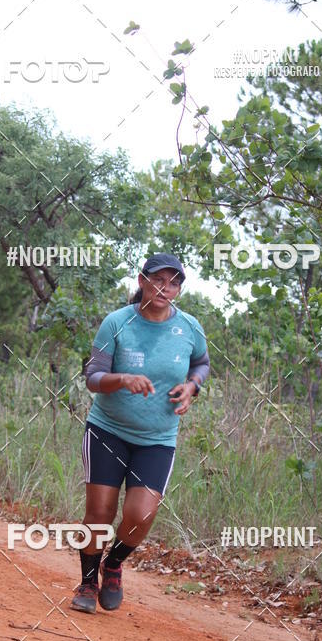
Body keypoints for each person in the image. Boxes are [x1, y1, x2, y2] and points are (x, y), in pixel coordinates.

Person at [71, 252, 211, 614]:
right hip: (107, 430)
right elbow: (94, 378)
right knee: (100, 511)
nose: (166, 288)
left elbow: (202, 362)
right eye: (159, 280)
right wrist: (123, 379)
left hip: (158, 439)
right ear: (141, 280)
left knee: (140, 515)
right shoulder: (117, 323)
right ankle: (87, 582)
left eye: (174, 282)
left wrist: (193, 386)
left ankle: (113, 564)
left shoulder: (190, 328)